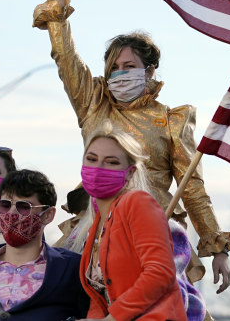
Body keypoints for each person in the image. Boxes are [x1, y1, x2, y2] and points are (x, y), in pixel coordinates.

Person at [34, 0, 230, 291]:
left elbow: (192, 188)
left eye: (128, 66)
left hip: (153, 234)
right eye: (113, 67)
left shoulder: (170, 120)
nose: (119, 73)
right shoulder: (93, 104)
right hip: (95, 229)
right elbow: (65, 55)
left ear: (149, 71)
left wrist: (216, 246)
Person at [77, 121, 192, 320]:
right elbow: (98, 299)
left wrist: (113, 318)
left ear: (130, 173)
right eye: (92, 159)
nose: (98, 168)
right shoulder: (95, 226)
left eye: (111, 162)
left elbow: (160, 272)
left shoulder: (137, 202)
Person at [0, 169, 89, 320]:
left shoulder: (72, 270)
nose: (12, 213)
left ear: (47, 215)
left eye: (24, 206)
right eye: (5, 205)